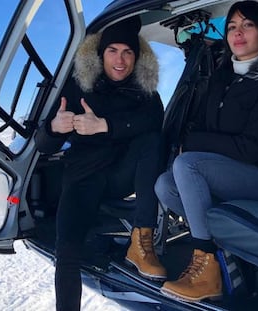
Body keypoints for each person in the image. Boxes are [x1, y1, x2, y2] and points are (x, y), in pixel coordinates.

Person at [155, 0, 258, 302]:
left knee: (188, 165)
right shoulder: (221, 76)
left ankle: (207, 263)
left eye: (247, 25)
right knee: (164, 185)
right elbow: (198, 124)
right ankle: (226, 247)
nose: (238, 33)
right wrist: (194, 139)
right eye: (232, 27)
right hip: (225, 170)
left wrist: (196, 143)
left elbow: (250, 148)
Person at [35, 16, 166, 311]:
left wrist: (104, 125)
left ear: (137, 57)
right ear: (101, 54)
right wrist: (55, 127)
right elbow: (43, 145)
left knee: (152, 141)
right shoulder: (77, 87)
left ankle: (141, 242)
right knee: (67, 251)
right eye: (113, 51)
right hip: (82, 179)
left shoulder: (146, 93)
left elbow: (154, 123)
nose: (120, 60)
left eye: (128, 52)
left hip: (121, 176)